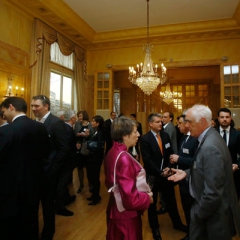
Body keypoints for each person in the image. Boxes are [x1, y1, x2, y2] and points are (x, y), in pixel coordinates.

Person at [168, 104, 240, 240]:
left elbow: (212, 193)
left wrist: (197, 213)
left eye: (189, 121)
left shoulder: (210, 146)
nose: (187, 125)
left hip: (214, 219)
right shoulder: (209, 137)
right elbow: (206, 167)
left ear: (201, 121)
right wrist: (187, 173)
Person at [0, 97, 50, 240]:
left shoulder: (6, 131)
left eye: (3, 111)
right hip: (34, 184)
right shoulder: (40, 127)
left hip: (10, 187)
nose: (3, 115)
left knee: (12, 225)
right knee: (31, 221)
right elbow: (46, 153)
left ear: (11, 107)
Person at [104, 117, 153, 240]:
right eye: (135, 131)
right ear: (125, 135)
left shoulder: (112, 151)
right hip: (126, 216)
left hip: (115, 208)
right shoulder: (124, 157)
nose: (138, 135)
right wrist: (147, 198)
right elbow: (130, 200)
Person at [140, 113, 187, 240]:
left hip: (166, 175)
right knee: (152, 202)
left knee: (171, 201)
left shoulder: (165, 135)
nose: (160, 123)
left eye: (161, 121)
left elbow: (169, 153)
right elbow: (147, 160)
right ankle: (154, 228)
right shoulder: (145, 139)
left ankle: (177, 224)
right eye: (157, 122)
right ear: (150, 124)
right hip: (153, 176)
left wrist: (167, 168)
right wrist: (160, 172)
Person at [31, 95, 70, 240]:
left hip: (49, 173)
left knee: (48, 207)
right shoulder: (33, 122)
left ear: (46, 106)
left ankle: (47, 235)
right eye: (32, 106)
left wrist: (53, 169)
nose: (34, 109)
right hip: (35, 173)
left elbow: (63, 149)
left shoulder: (55, 123)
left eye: (37, 106)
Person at [169, 114, 198, 240]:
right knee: (186, 208)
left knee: (192, 210)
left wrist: (179, 158)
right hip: (183, 180)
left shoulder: (195, 139)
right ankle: (190, 234)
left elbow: (198, 161)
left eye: (180, 123)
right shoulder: (184, 138)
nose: (178, 125)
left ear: (188, 124)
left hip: (192, 180)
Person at [215, 107, 240, 199]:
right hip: (216, 172)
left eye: (227, 117)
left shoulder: (237, 134)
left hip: (233, 174)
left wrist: (237, 165)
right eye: (222, 117)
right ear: (218, 118)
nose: (224, 119)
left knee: (233, 198)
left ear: (230, 118)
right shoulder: (212, 133)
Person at [86, 115, 105, 205]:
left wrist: (90, 147)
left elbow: (99, 146)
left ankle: (96, 197)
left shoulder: (100, 132)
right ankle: (94, 195)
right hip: (93, 157)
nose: (92, 122)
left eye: (93, 121)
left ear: (98, 123)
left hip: (96, 158)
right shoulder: (96, 131)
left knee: (95, 178)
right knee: (92, 177)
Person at [75, 110, 94, 193]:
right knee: (79, 167)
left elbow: (93, 136)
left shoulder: (90, 124)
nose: (79, 117)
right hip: (79, 147)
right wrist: (77, 141)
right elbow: (75, 134)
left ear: (85, 116)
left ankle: (90, 184)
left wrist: (87, 135)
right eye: (79, 116)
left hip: (88, 148)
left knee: (89, 168)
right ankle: (81, 185)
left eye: (81, 116)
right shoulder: (77, 124)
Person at [63, 110, 77, 205]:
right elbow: (67, 145)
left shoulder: (66, 127)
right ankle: (65, 199)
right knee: (65, 180)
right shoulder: (68, 129)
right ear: (72, 118)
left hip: (67, 159)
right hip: (67, 159)